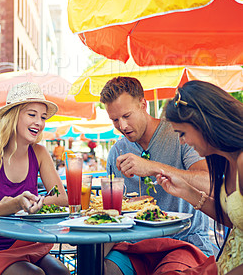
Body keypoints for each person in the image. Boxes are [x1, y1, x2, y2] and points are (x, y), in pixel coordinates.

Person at [100, 76, 213, 274]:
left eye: (127, 115)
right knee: (102, 269)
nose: (122, 126)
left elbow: (208, 181)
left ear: (143, 104)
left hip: (184, 241)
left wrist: (152, 167)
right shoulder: (116, 151)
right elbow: (112, 213)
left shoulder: (180, 134)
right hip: (134, 247)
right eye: (115, 120)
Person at [0, 82, 70, 275]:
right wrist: (16, 204)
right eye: (32, 114)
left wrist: (33, 202)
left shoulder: (40, 153)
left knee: (61, 272)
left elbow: (62, 198)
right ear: (13, 115)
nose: (39, 122)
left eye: (43, 117)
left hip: (26, 242)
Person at [155, 80, 243, 274]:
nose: (181, 141)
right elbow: (235, 220)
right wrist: (187, 192)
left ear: (202, 123)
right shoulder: (227, 160)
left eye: (182, 133)